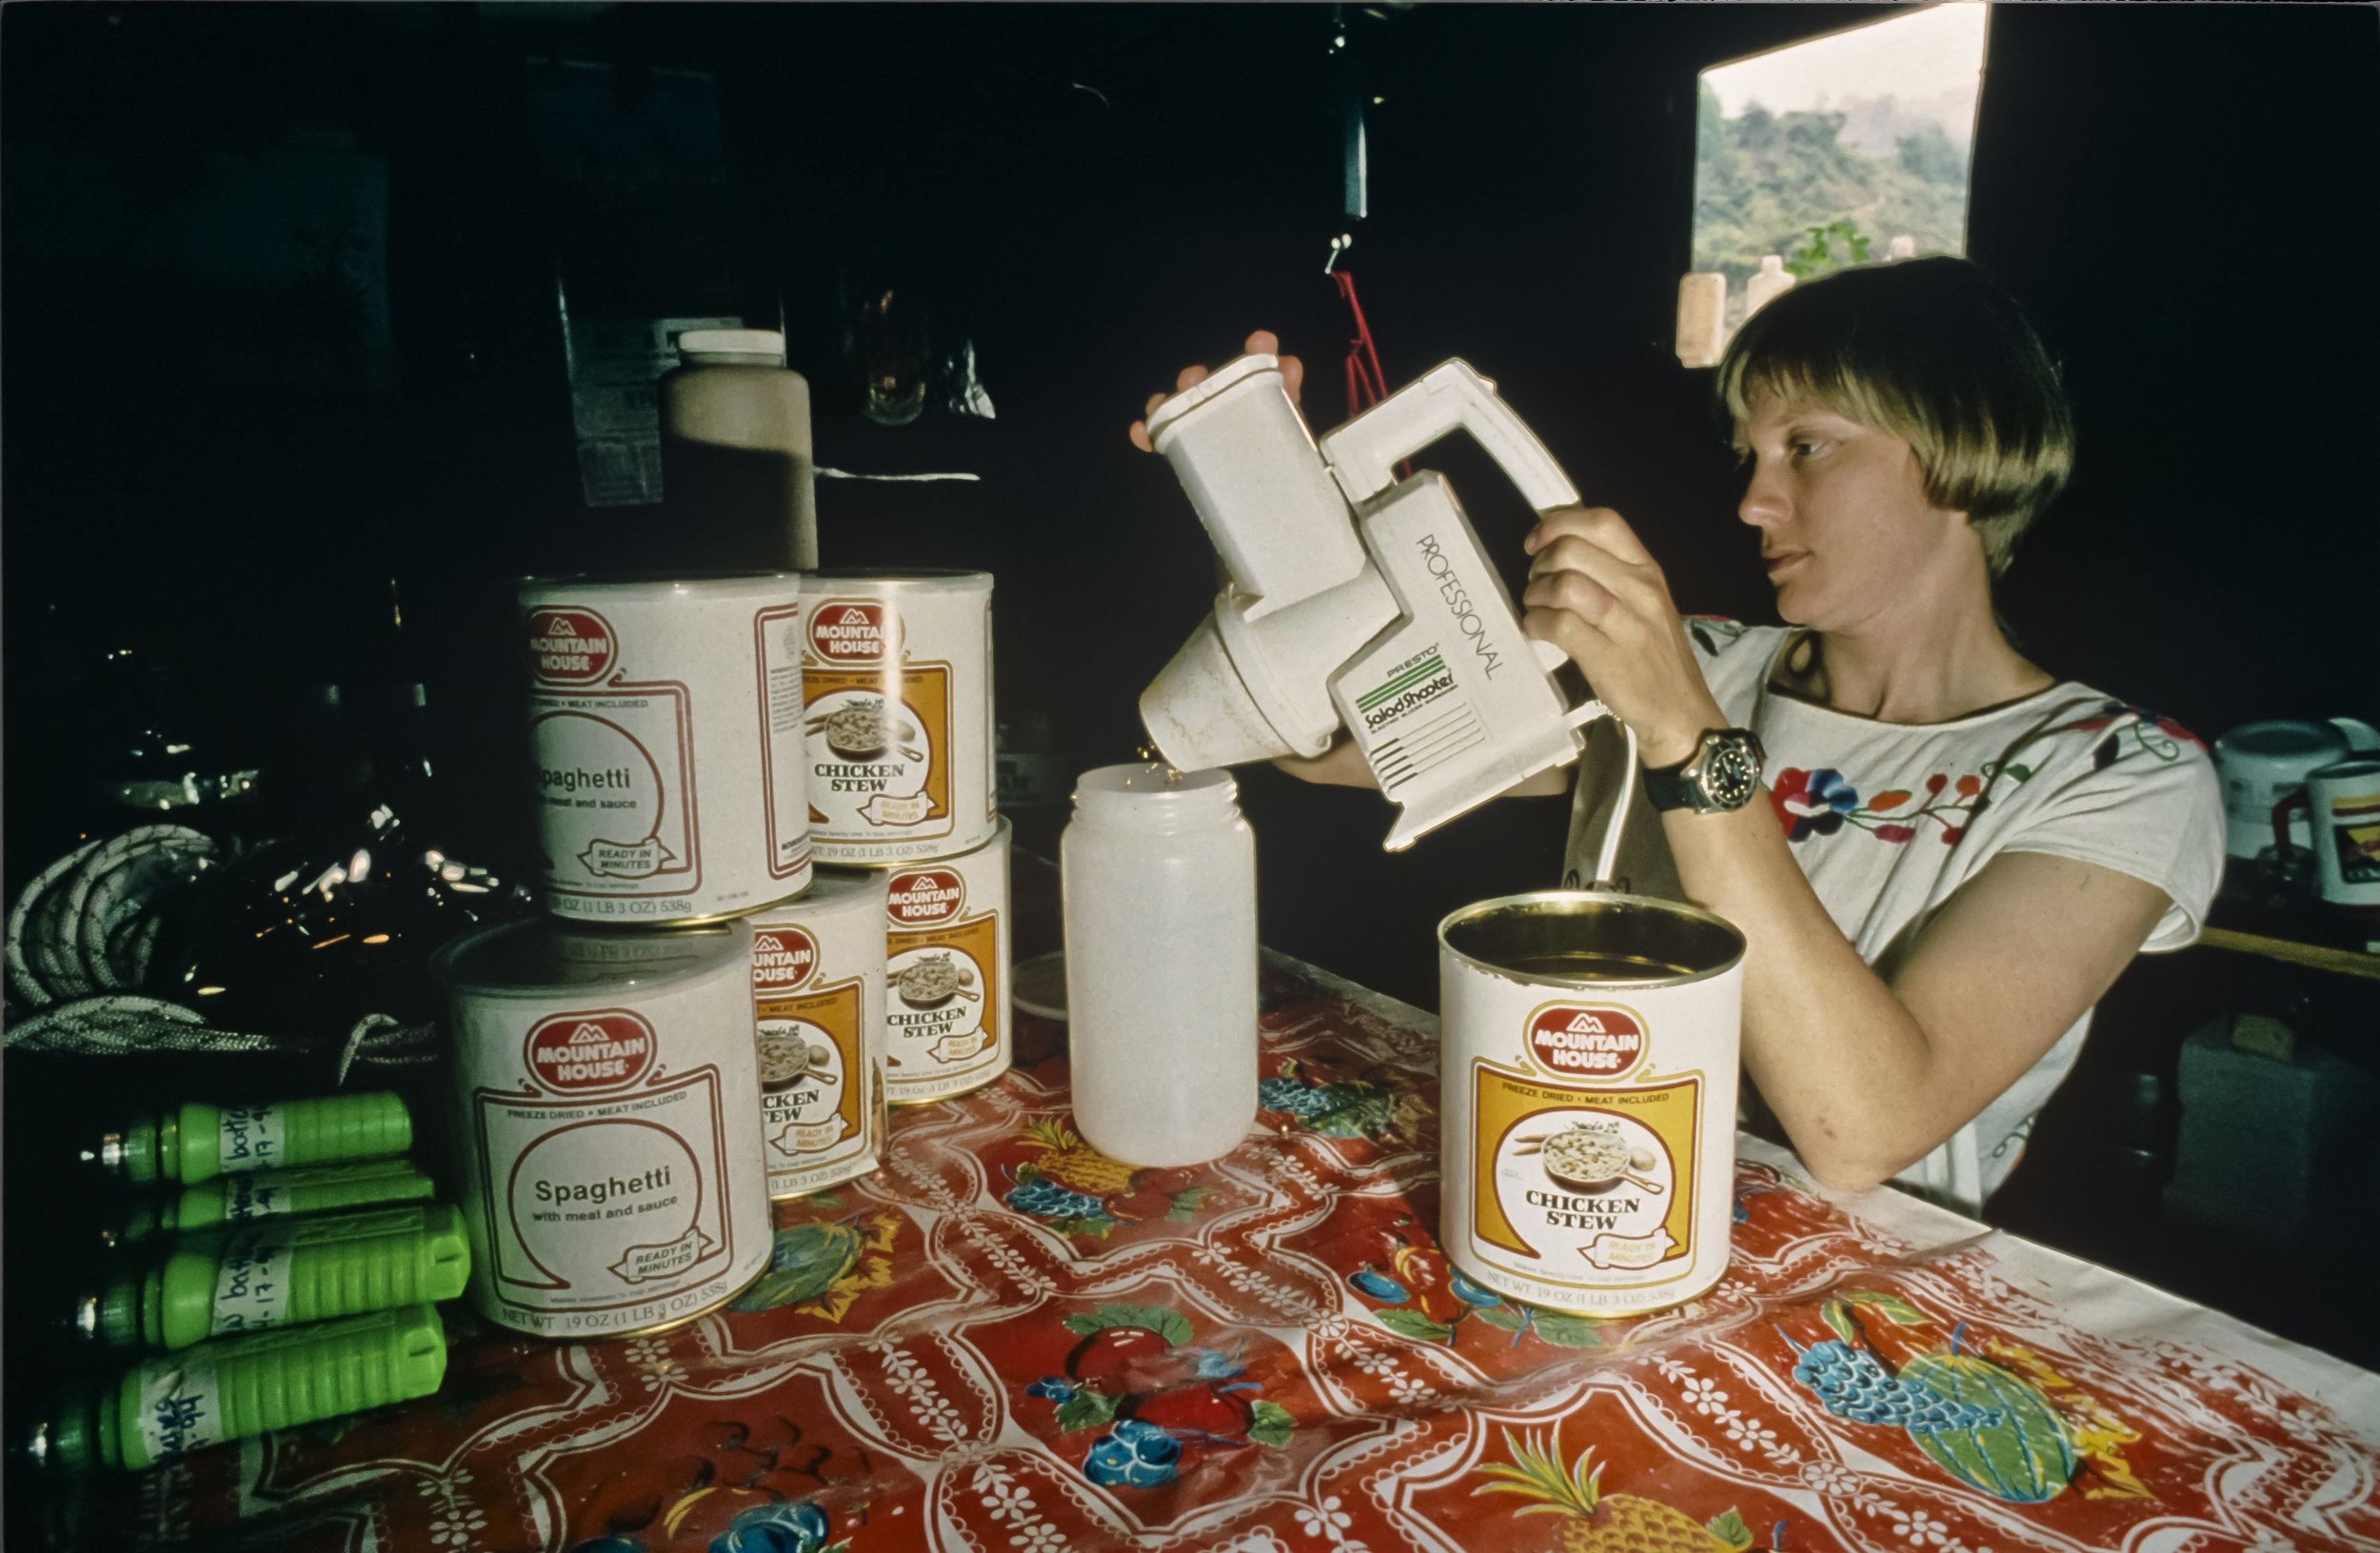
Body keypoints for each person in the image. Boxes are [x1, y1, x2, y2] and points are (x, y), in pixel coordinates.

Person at [1129, 257, 2222, 1214]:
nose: (1754, 500)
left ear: (1966, 446)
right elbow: (1318, 744)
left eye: (1807, 447)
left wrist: (1680, 723)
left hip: (1844, 1299)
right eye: (1750, 454)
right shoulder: (1707, 658)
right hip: (1572, 1185)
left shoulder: (2120, 772)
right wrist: (1288, 550)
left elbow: (1862, 1129)